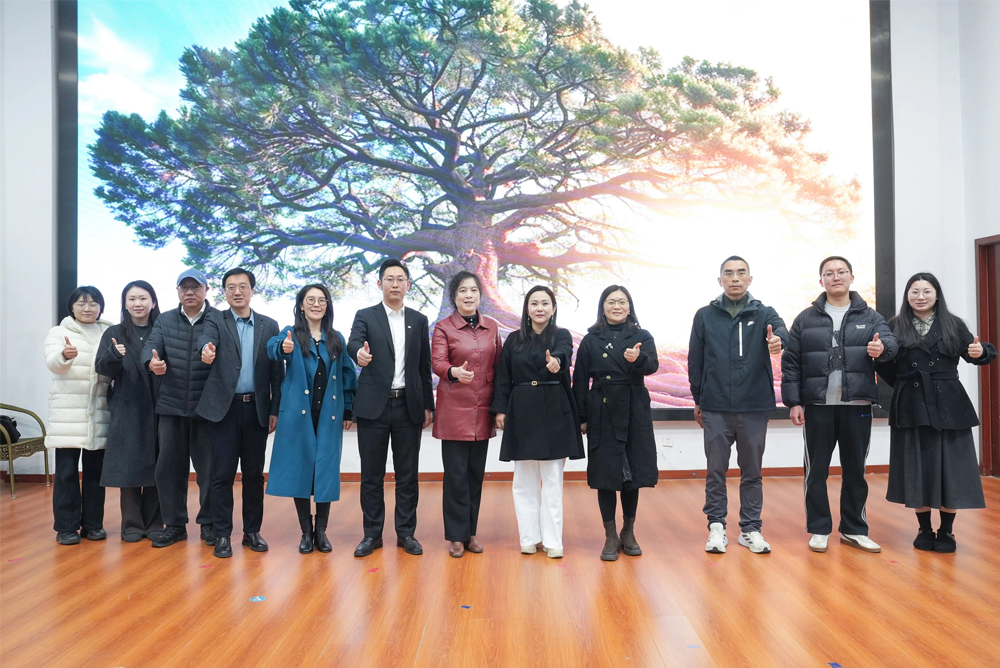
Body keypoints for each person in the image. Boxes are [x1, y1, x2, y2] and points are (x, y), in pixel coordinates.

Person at [781, 256, 898, 554]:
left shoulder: (870, 316)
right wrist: (794, 402)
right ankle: (819, 529)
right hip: (817, 405)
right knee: (816, 471)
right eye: (829, 273)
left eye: (841, 272)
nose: (836, 277)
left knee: (855, 471)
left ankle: (854, 529)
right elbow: (791, 363)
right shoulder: (805, 319)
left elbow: (890, 342)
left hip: (857, 405)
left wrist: (882, 348)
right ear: (821, 280)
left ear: (851, 277)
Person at [876, 273, 996, 553]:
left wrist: (980, 352)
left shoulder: (953, 324)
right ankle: (924, 528)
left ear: (937, 294)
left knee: (950, 468)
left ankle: (947, 531)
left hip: (949, 403)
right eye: (914, 291)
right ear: (907, 296)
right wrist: (905, 386)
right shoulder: (894, 325)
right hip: (910, 405)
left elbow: (978, 353)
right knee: (917, 466)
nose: (920, 297)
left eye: (927, 291)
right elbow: (883, 365)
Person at [687, 257, 788, 555]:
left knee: (752, 472)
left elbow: (782, 332)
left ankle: (750, 529)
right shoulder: (705, 315)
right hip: (715, 406)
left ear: (750, 279)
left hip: (753, 406)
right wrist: (698, 399)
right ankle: (716, 527)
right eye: (728, 273)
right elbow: (695, 360)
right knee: (715, 471)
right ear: (720, 280)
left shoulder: (764, 312)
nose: (735, 278)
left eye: (741, 273)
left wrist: (778, 341)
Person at [347, 259, 434, 557]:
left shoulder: (419, 320)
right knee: (371, 475)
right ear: (379, 283)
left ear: (408, 285)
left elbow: (424, 366)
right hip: (374, 407)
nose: (395, 284)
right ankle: (372, 534)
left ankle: (406, 533)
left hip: (408, 405)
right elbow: (354, 343)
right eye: (389, 279)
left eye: (400, 279)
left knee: (407, 474)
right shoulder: (365, 315)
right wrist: (359, 354)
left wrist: (428, 406)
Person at [491, 286, 584, 559]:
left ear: (553, 308)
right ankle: (529, 538)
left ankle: (553, 541)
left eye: (545, 303)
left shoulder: (561, 335)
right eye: (534, 303)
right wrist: (500, 410)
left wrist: (556, 362)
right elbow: (503, 376)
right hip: (521, 409)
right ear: (527, 309)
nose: (540, 308)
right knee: (523, 481)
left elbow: (564, 354)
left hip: (554, 408)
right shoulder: (513, 339)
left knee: (552, 480)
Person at [198, 268, 284, 558]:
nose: (237, 291)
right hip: (224, 410)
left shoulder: (269, 325)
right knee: (221, 475)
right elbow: (206, 340)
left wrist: (274, 409)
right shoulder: (215, 319)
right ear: (224, 292)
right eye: (231, 287)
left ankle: (252, 531)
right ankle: (222, 534)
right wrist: (206, 350)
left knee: (253, 475)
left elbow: (277, 373)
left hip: (256, 409)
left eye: (243, 286)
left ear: (252, 290)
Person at [266, 284, 357, 554]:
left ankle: (321, 531)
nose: (316, 304)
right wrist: (283, 347)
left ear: (327, 306)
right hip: (297, 417)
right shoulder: (290, 333)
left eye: (322, 300)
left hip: (329, 417)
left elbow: (348, 376)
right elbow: (273, 348)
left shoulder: (336, 338)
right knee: (301, 469)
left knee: (325, 472)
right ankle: (306, 532)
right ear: (301, 305)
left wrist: (348, 410)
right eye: (311, 300)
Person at [573, 285, 659, 561]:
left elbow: (653, 366)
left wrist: (638, 358)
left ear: (630, 306)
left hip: (634, 409)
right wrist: (582, 417)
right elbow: (579, 381)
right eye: (611, 302)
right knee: (605, 474)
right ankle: (610, 535)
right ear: (603, 306)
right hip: (602, 409)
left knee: (633, 473)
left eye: (622, 302)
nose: (617, 306)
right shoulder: (590, 339)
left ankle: (628, 531)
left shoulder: (642, 336)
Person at [140, 268, 218, 548]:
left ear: (206, 290)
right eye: (184, 288)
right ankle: (174, 525)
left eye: (195, 287)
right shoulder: (165, 319)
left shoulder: (218, 319)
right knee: (169, 470)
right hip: (171, 407)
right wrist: (151, 363)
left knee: (209, 471)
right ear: (177, 291)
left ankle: (209, 525)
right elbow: (151, 346)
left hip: (207, 409)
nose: (190, 292)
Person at [431, 271, 502, 558]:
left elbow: (500, 367)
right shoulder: (443, 327)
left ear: (480, 295)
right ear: (454, 296)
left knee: (475, 475)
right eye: (463, 290)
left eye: (473, 290)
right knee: (456, 477)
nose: (469, 295)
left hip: (482, 409)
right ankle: (456, 536)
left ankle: (471, 533)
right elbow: (437, 362)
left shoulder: (492, 326)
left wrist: (500, 407)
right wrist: (453, 372)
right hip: (454, 411)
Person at [95, 281, 164, 542]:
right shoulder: (114, 332)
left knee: (159, 465)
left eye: (143, 298)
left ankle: (155, 522)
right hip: (127, 407)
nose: (138, 304)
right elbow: (101, 368)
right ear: (124, 303)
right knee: (129, 466)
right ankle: (132, 524)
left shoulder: (163, 328)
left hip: (160, 406)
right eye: (132, 299)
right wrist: (113, 354)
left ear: (153, 302)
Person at [44, 286, 112, 545]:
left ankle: (93, 525)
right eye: (81, 303)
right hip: (68, 414)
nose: (87, 308)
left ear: (100, 307)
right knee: (66, 474)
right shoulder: (59, 332)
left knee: (96, 473)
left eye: (93, 303)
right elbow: (53, 363)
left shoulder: (109, 331)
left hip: (100, 411)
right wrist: (64, 355)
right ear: (71, 307)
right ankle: (66, 528)